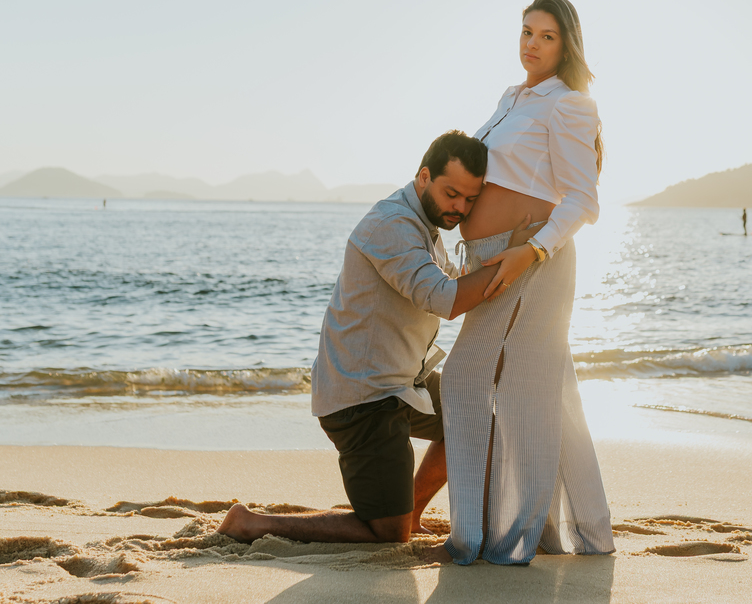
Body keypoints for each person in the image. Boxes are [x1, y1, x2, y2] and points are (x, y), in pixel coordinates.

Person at [217, 131, 540, 546]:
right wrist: (517, 260)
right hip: (362, 398)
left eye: (470, 199)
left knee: (476, 420)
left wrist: (510, 248)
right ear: (424, 176)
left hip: (403, 383)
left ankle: (412, 513)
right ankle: (251, 522)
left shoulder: (425, 226)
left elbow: (448, 280)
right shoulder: (391, 225)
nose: (459, 207)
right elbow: (442, 297)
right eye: (451, 193)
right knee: (388, 536)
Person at [440, 0, 615, 565]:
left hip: (526, 259)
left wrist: (531, 252)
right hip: (489, 255)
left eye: (546, 36)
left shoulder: (569, 104)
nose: (531, 44)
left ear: (567, 44)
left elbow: (582, 202)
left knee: (471, 378)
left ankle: (489, 535)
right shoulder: (511, 97)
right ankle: (586, 531)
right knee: (553, 395)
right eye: (525, 31)